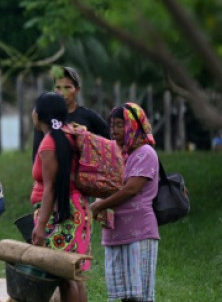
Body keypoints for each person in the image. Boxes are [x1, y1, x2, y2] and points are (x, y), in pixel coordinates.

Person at [91, 103, 160, 302]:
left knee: (139, 298)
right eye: (112, 125)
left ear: (134, 125)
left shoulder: (145, 153)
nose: (114, 130)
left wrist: (100, 205)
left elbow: (131, 189)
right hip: (115, 232)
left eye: (120, 125)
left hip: (138, 233)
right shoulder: (118, 153)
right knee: (123, 295)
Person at [30, 92, 90, 302]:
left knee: (62, 276)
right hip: (78, 210)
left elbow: (51, 188)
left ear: (38, 115)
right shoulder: (69, 134)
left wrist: (41, 224)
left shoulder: (49, 143)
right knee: (75, 274)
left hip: (59, 212)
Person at [33, 66, 110, 160]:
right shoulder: (47, 118)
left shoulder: (88, 116)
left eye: (67, 87)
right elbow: (38, 152)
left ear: (77, 90)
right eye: (58, 87)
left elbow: (112, 140)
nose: (62, 93)